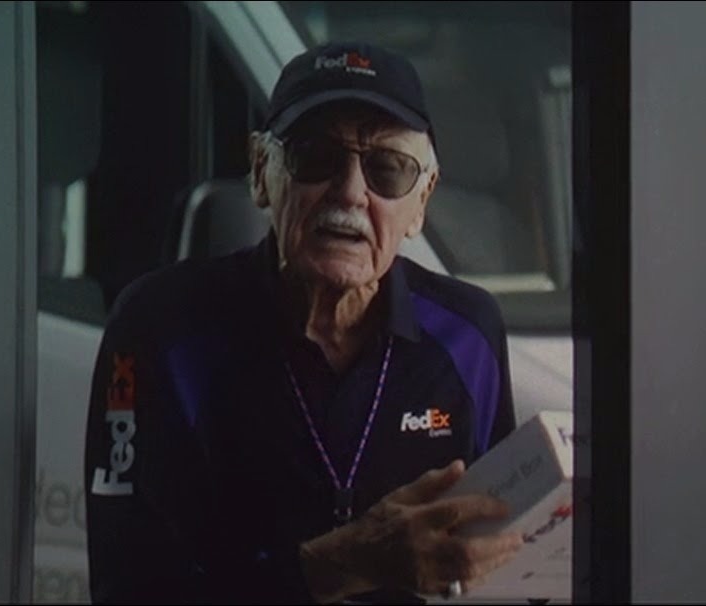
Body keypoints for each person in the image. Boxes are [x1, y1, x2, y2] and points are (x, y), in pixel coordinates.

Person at [83, 41, 524, 604]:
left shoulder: (469, 335)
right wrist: (341, 565)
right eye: (316, 156)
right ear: (261, 172)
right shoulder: (159, 329)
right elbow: (128, 589)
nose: (350, 192)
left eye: (387, 169)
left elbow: (508, 557)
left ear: (422, 202)